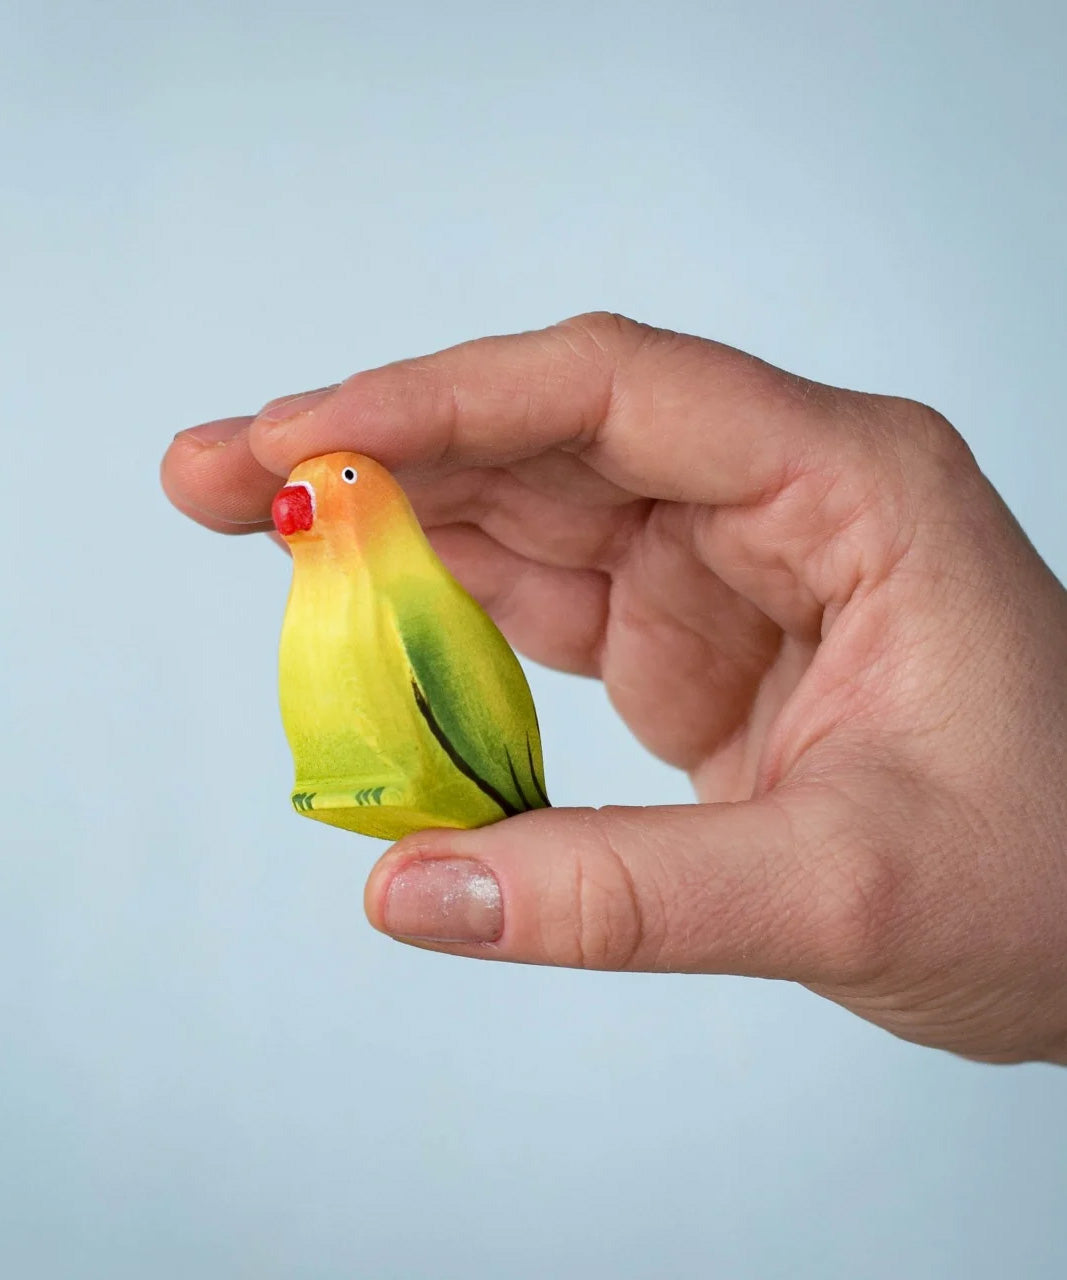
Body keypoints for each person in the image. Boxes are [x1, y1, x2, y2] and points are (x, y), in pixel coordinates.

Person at [161, 312, 1067, 1065]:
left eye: (341, 479)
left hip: (458, 781)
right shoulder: (323, 587)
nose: (306, 504)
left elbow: (434, 703)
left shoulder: (420, 606)